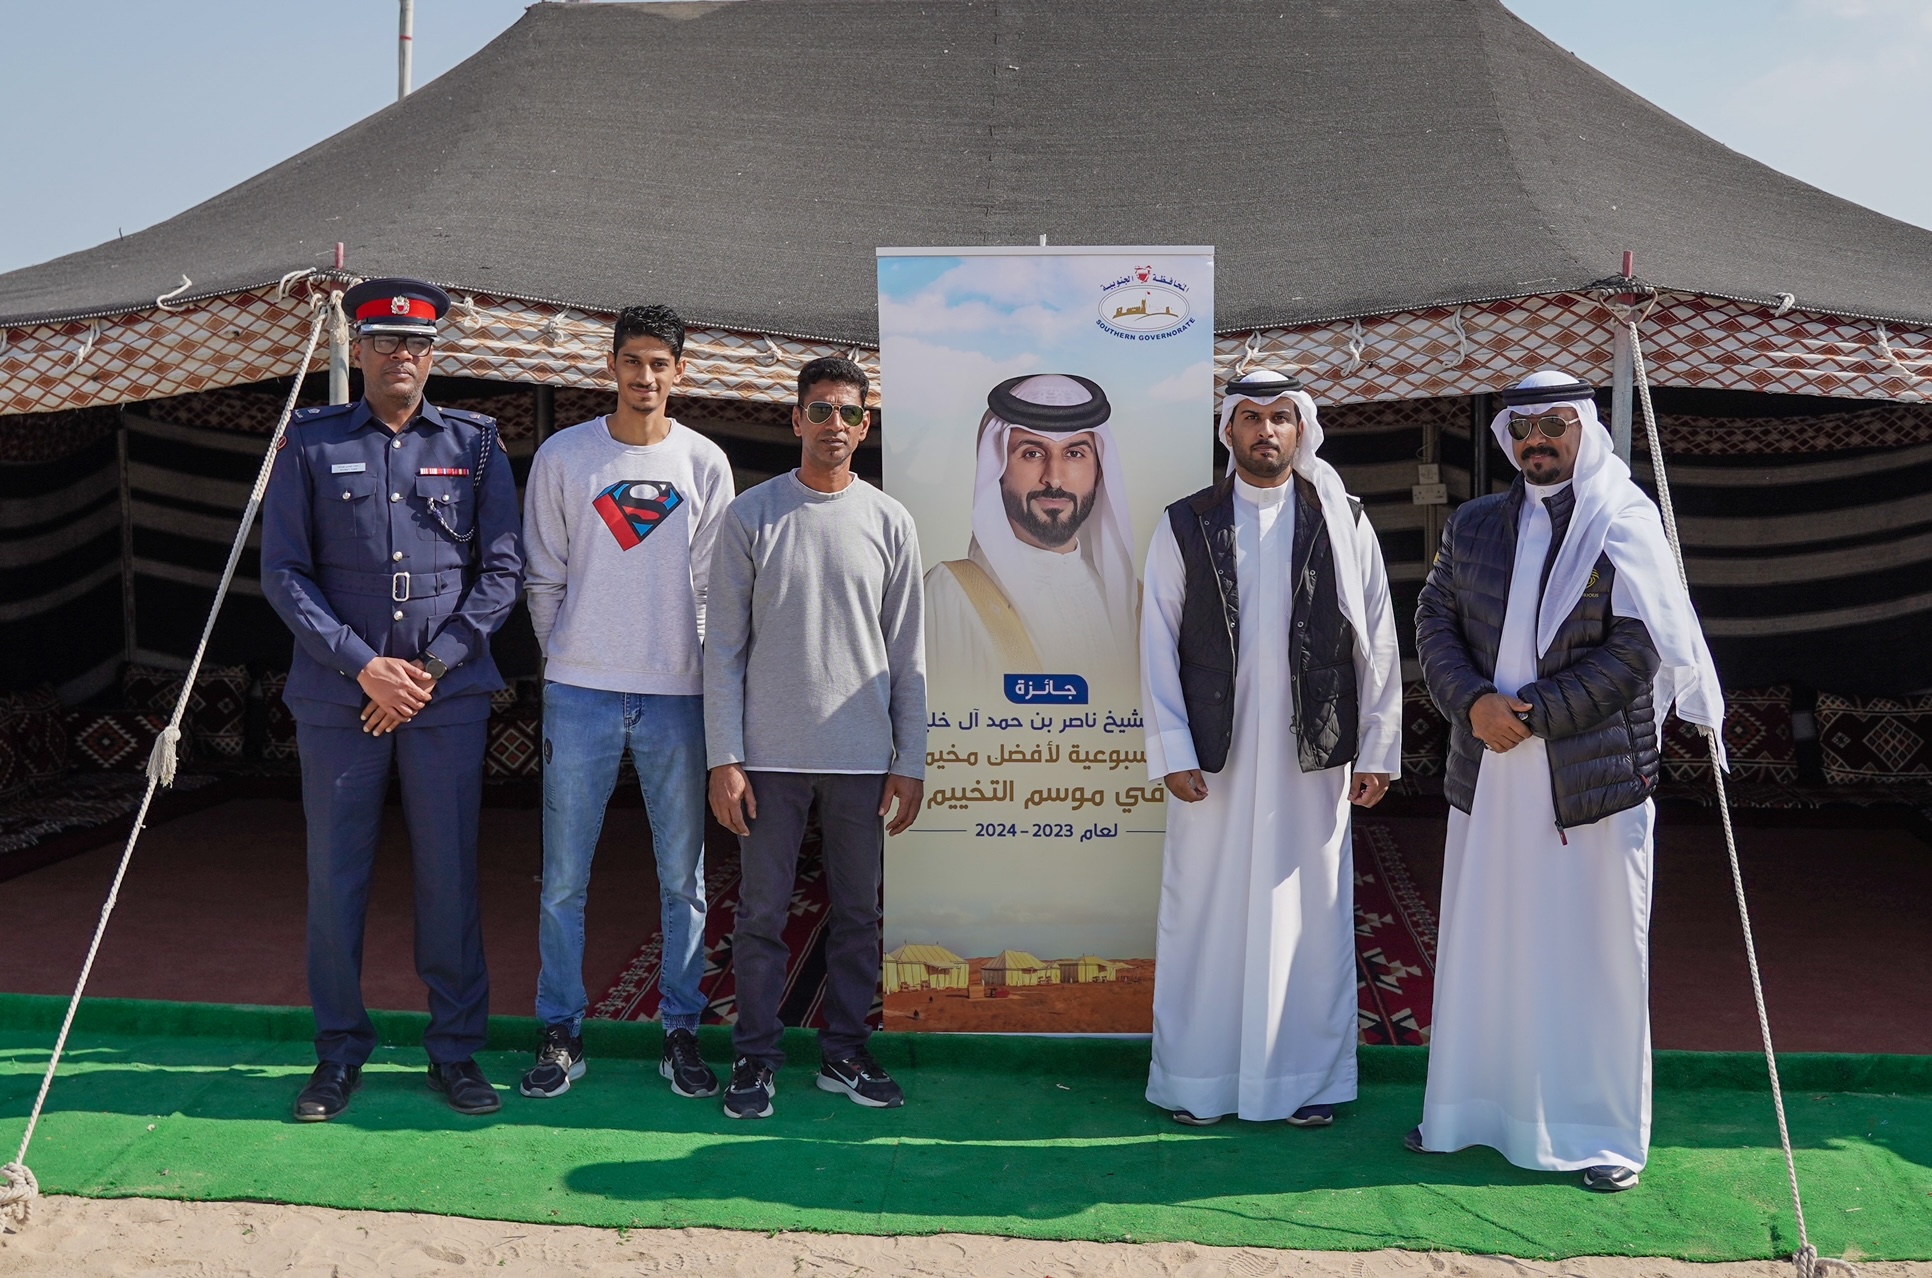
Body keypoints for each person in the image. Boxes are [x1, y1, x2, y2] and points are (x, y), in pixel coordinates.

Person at [1410, 369, 1724, 1192]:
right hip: (1488, 770)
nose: (1537, 441)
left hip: (1590, 781)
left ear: (1586, 428)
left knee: (1593, 958)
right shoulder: (1475, 524)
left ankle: (1599, 1134)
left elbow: (1640, 647)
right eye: (1522, 428)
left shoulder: (1624, 521)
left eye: (1554, 425)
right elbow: (1434, 620)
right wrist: (1473, 704)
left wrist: (1535, 714)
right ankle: (1469, 1117)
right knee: (1488, 947)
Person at [261, 276, 523, 1121]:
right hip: (341, 698)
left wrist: (428, 670)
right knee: (336, 878)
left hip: (444, 697)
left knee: (449, 875)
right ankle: (338, 1052)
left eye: (414, 343)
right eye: (383, 342)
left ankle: (455, 1051)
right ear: (361, 350)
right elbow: (284, 573)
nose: (399, 355)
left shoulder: (475, 444)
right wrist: (365, 667)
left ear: (432, 355)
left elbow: (502, 571)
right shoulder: (310, 440)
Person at [1139, 369, 1402, 1129]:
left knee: (1308, 911)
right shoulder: (1186, 522)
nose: (1266, 431)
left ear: (1302, 429)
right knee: (1205, 909)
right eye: (1251, 418)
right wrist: (1172, 747)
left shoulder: (1341, 519)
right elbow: (1156, 638)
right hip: (1212, 755)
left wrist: (1378, 744)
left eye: (1280, 417)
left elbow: (1378, 636)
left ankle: (1304, 1084)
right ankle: (1199, 1081)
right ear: (1228, 431)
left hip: (1311, 751)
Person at [519, 304, 735, 1101]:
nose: (646, 376)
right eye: (633, 361)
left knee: (684, 879)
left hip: (678, 695)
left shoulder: (704, 462)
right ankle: (561, 1030)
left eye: (660, 363)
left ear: (680, 372)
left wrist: (694, 672)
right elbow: (543, 574)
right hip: (579, 693)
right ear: (610, 366)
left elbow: (714, 587)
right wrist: (569, 655)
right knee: (562, 879)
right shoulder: (564, 456)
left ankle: (682, 1029)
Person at [703, 356, 926, 1120]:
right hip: (767, 759)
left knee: (858, 915)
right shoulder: (751, 515)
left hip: (862, 758)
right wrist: (724, 758)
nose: (836, 424)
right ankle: (755, 1058)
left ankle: (845, 1054)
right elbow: (722, 649)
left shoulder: (891, 522)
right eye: (822, 410)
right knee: (761, 916)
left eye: (849, 413)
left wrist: (910, 758)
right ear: (796, 419)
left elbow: (908, 655)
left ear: (866, 426)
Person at [922, 374, 1139, 695]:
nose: (1054, 478)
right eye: (1032, 453)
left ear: (1099, 472)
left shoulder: (1136, 605)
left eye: (1074, 454)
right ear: (997, 470)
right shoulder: (952, 593)